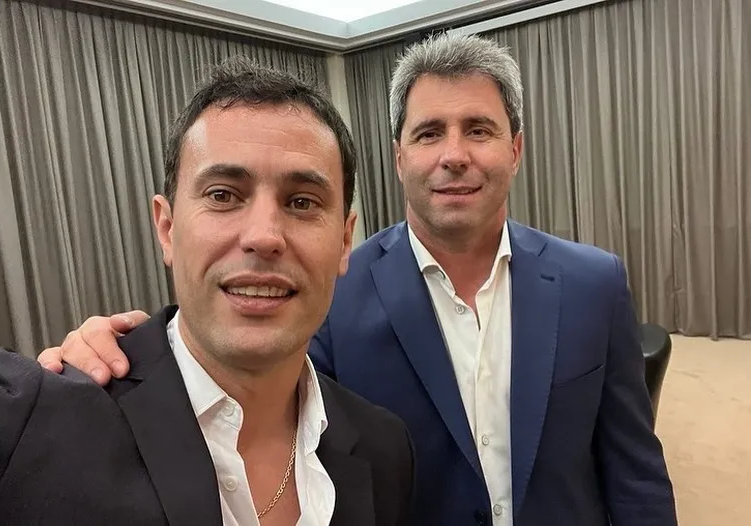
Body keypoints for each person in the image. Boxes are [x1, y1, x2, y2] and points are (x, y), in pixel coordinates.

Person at [39, 33, 677, 526]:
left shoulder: (595, 282)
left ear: (515, 149)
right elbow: (236, 383)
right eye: (429, 133)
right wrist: (126, 351)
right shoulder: (324, 294)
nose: (454, 154)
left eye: (478, 130)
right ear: (399, 158)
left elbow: (634, 469)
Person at [0, 57, 416, 526]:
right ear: (167, 227)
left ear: (344, 240)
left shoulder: (384, 449)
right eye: (223, 195)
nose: (264, 236)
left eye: (302, 202)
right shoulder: (16, 419)